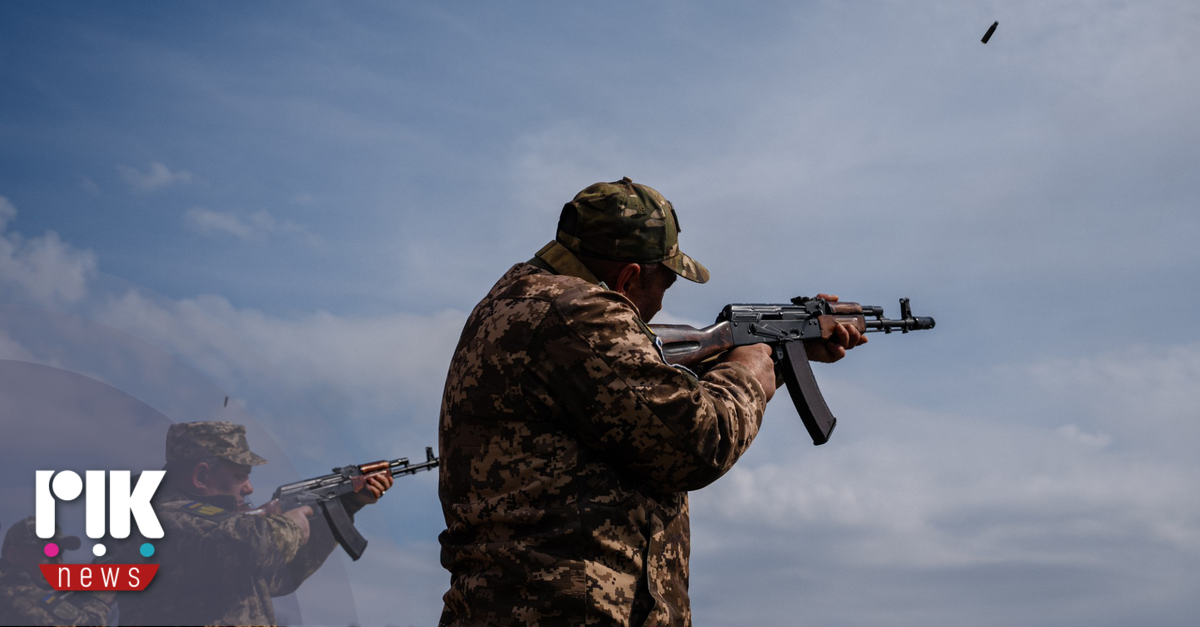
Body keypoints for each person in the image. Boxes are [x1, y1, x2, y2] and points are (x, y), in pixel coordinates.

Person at [437, 177, 864, 626]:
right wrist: (749, 372)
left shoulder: (518, 303)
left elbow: (631, 399)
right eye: (666, 284)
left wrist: (785, 351)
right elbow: (698, 442)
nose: (659, 305)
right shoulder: (579, 313)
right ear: (629, 277)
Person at [115, 420, 393, 626]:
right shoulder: (157, 520)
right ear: (200, 476)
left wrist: (345, 505)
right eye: (239, 476)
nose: (249, 488)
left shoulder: (216, 531)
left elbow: (281, 578)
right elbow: (251, 546)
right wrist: (290, 524)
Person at [0, 516, 113, 626]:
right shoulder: (15, 596)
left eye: (60, 553)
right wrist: (98, 593)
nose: (58, 562)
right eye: (49, 551)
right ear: (13, 555)